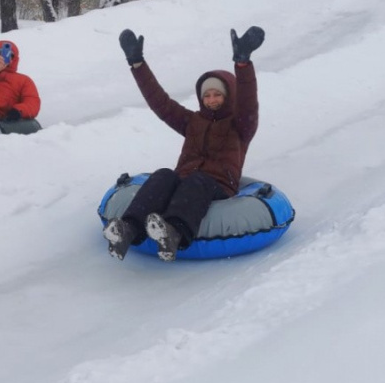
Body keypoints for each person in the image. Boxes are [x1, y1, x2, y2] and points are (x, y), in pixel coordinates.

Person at [103, 25, 265, 262]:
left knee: (197, 181)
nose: (211, 100)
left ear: (229, 96)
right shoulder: (193, 121)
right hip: (186, 180)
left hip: (218, 186)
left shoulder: (240, 125)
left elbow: (249, 102)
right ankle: (127, 230)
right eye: (206, 95)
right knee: (164, 175)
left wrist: (242, 64)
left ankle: (173, 233)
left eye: (217, 94)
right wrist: (137, 64)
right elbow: (160, 102)